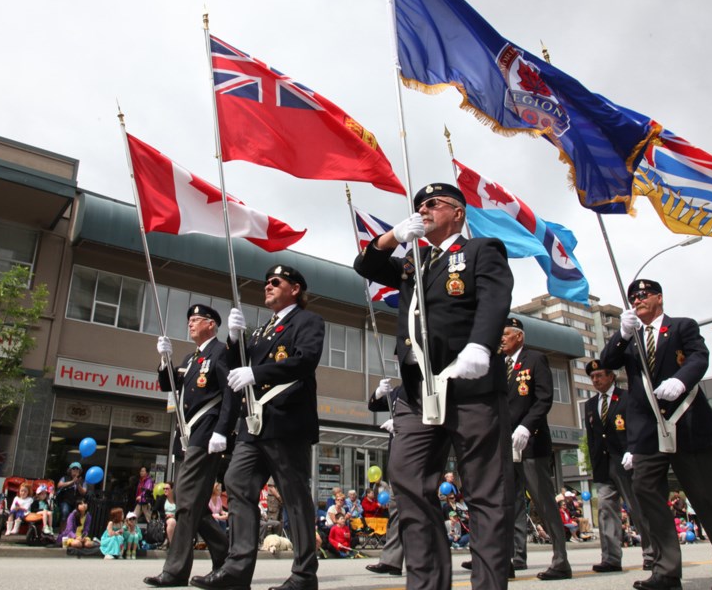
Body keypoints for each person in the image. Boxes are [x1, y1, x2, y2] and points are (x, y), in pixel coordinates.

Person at [353, 183, 514, 590]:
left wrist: (480, 345)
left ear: (458, 213)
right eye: (419, 205)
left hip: (469, 384)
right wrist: (393, 238)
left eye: (433, 204)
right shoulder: (414, 260)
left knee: (484, 492)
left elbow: (496, 297)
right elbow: (366, 266)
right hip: (416, 390)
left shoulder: (480, 250)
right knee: (408, 483)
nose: (423, 210)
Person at [601, 278, 712, 590]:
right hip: (648, 433)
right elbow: (607, 363)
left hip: (688, 424)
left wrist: (681, 380)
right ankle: (666, 570)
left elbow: (698, 357)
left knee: (709, 500)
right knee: (646, 493)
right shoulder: (631, 338)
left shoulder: (682, 327)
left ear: (659, 299)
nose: (637, 300)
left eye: (644, 295)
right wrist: (622, 335)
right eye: (633, 297)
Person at [191, 264, 324, 590]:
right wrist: (234, 339)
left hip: (286, 421)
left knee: (294, 498)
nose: (267, 286)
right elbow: (233, 368)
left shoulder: (307, 321)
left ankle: (305, 575)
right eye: (266, 282)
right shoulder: (264, 329)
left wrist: (259, 374)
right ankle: (237, 570)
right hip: (254, 426)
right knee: (237, 484)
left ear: (294, 289)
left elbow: (306, 360)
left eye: (275, 282)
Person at [465, 317, 571, 579]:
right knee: (506, 504)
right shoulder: (498, 364)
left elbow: (544, 397)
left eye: (506, 334)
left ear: (519, 336)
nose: (501, 338)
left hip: (531, 442)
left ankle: (560, 560)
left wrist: (527, 427)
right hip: (503, 444)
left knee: (543, 501)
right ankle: (509, 559)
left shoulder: (535, 359)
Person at [144, 304, 240, 587]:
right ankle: (225, 554)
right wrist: (165, 359)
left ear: (211, 324)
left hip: (206, 435)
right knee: (190, 504)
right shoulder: (191, 357)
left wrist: (223, 431)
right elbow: (168, 385)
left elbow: (231, 394)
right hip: (186, 436)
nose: (190, 324)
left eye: (196, 320)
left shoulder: (220, 352)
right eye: (189, 320)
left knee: (185, 504)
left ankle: (175, 571)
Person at [583, 359, 654, 573]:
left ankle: (651, 554)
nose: (596, 380)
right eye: (592, 377)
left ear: (611, 376)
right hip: (603, 465)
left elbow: (637, 426)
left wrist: (634, 449)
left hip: (626, 461)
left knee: (637, 509)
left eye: (600, 375)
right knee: (606, 511)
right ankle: (611, 558)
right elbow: (593, 436)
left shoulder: (627, 397)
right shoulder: (590, 403)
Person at [364, 380, 405, 577]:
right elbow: (373, 405)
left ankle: (431, 560)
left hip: (421, 456)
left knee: (423, 512)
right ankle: (392, 561)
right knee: (396, 511)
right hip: (398, 456)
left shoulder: (427, 382)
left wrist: (402, 424)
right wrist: (379, 392)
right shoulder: (398, 391)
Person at [55, 462, 86, 530]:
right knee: (65, 513)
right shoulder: (65, 478)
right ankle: (62, 533)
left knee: (77, 517)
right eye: (73, 469)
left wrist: (78, 484)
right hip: (66, 501)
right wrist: (72, 481)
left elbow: (83, 492)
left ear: (80, 471)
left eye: (77, 469)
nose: (75, 470)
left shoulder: (82, 481)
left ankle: (73, 533)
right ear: (70, 470)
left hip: (77, 502)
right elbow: (59, 485)